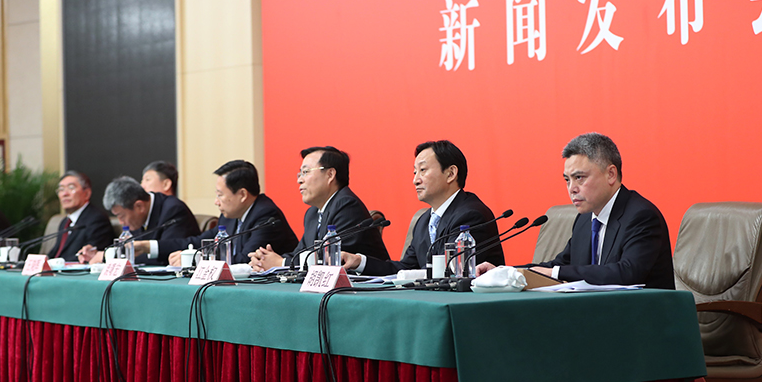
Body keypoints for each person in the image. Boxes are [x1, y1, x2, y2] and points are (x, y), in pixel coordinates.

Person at [477, 132, 675, 289]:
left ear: (611, 174)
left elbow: (627, 273)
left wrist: (555, 273)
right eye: (567, 180)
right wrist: (504, 272)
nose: (571, 188)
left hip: (643, 319)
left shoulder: (641, 216)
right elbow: (560, 264)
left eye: (579, 177)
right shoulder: (585, 220)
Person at [342, 140, 504, 275]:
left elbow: (452, 272)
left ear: (451, 174)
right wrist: (359, 261)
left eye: (423, 170)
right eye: (415, 172)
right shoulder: (424, 220)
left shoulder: (471, 215)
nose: (415, 180)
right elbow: (405, 268)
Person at [249, 146, 389, 270]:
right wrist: (265, 260)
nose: (299, 180)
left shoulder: (347, 205)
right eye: (300, 173)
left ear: (330, 175)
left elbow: (331, 258)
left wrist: (281, 263)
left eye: (306, 172)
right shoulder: (313, 213)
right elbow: (301, 253)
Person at [138, 160, 299, 265]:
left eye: (220, 195)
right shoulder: (230, 215)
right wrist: (149, 246)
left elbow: (245, 260)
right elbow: (199, 241)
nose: (216, 202)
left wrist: (194, 260)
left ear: (242, 195)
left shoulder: (267, 216)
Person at [76, 176, 200, 264]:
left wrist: (109, 256)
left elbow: (167, 254)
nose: (120, 222)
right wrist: (100, 253)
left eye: (121, 216)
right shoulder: (138, 216)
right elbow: (131, 248)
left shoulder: (173, 209)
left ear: (139, 206)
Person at [47, 171, 115, 261]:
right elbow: (57, 252)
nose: (64, 194)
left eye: (71, 188)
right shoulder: (65, 222)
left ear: (87, 193)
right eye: (61, 189)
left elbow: (89, 256)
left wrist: (55, 263)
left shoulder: (97, 219)